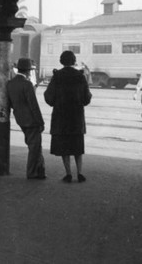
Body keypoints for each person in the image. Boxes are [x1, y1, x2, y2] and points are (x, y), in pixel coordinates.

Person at [44, 51, 92, 183]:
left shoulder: (57, 76)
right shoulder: (80, 76)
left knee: (64, 146)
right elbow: (87, 97)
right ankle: (80, 173)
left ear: (61, 61)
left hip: (61, 117)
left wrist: (55, 103)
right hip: (76, 117)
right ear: (74, 60)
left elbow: (48, 96)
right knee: (77, 145)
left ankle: (68, 173)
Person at [6, 57, 46, 180]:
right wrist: (41, 122)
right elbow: (33, 105)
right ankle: (32, 172)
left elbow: (10, 103)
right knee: (35, 147)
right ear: (28, 71)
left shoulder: (10, 83)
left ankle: (40, 171)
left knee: (34, 145)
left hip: (20, 119)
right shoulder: (27, 84)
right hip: (31, 120)